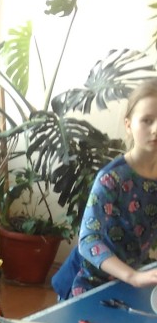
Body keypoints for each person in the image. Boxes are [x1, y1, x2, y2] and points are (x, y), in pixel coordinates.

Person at [51, 81, 157, 299]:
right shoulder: (112, 178)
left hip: (124, 284)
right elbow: (88, 240)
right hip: (85, 283)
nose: (155, 129)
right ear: (128, 125)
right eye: (147, 120)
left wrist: (133, 277)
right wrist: (133, 277)